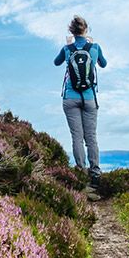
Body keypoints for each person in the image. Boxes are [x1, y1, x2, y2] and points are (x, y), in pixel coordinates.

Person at [54, 15, 107, 199]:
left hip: (70, 97)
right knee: (91, 137)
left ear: (71, 31)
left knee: (76, 137)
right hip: (90, 97)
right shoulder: (94, 47)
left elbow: (56, 62)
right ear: (86, 30)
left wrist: (69, 45)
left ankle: (80, 172)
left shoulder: (67, 48)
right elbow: (104, 64)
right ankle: (95, 175)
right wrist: (91, 45)